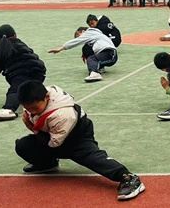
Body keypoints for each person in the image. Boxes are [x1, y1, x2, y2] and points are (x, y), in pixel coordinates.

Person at [14, 81, 145, 200]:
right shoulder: (37, 96)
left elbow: (54, 144)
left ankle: (128, 178)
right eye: (28, 108)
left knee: (92, 158)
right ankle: (47, 164)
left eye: (35, 108)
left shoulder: (63, 114)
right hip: (54, 133)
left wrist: (33, 129)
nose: (32, 112)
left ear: (47, 97)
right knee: (23, 146)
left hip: (77, 136)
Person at [0, 24, 46, 123]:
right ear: (15, 35)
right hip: (39, 73)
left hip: (20, 74)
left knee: (15, 89)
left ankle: (9, 109)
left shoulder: (1, 47)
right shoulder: (21, 44)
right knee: (29, 91)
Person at [48, 27, 118, 82]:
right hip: (109, 53)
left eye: (78, 36)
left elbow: (77, 41)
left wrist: (61, 48)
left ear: (82, 31)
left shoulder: (89, 32)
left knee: (91, 59)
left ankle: (95, 74)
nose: (79, 38)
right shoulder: (96, 35)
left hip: (109, 53)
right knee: (90, 55)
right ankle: (99, 68)